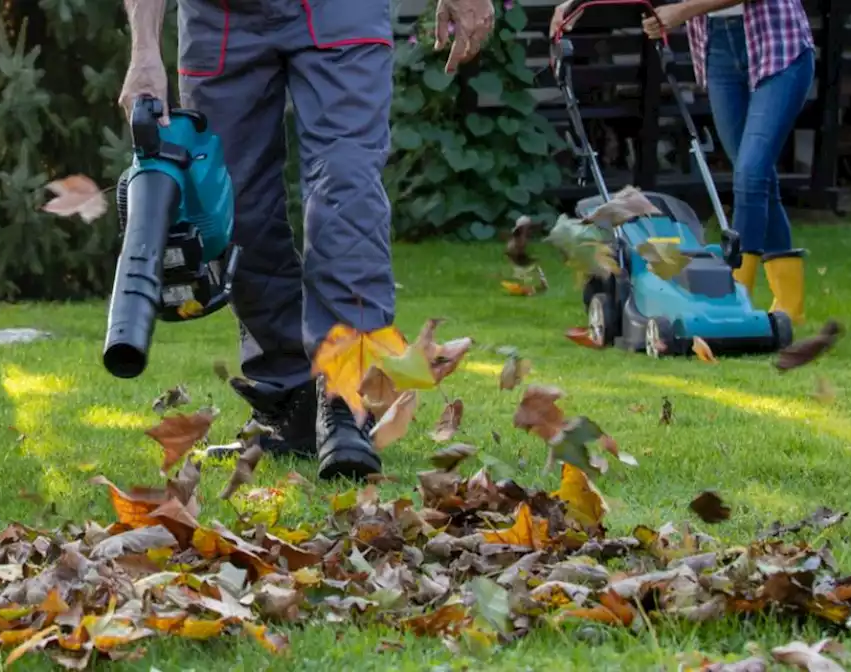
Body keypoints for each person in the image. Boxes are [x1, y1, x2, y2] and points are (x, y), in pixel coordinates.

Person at [118, 0, 495, 482]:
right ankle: (289, 400)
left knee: (346, 186)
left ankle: (346, 399)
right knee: (234, 208)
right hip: (222, 16)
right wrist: (145, 49)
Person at [552, 0, 814, 325]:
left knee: (751, 173)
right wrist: (575, 4)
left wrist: (681, 11)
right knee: (757, 177)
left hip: (779, 46)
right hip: (718, 48)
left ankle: (733, 303)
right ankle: (790, 305)